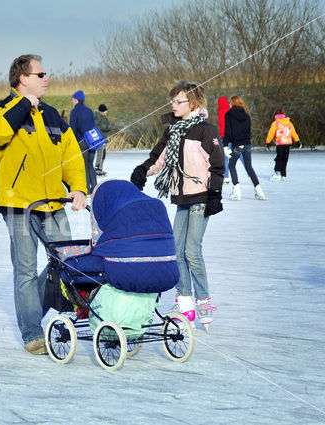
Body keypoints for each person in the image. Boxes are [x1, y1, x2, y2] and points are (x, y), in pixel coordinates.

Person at [0, 54, 87, 354]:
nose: (47, 78)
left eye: (46, 74)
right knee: (26, 271)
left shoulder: (54, 115)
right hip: (19, 206)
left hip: (54, 204)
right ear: (22, 79)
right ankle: (32, 333)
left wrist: (78, 187)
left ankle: (37, 313)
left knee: (67, 262)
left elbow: (71, 157)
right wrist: (25, 104)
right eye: (40, 74)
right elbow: (1, 132)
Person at [129, 81, 223, 331]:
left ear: (192, 103)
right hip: (182, 199)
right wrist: (142, 171)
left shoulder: (205, 130)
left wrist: (215, 194)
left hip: (202, 198)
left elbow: (217, 165)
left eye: (177, 101)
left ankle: (203, 302)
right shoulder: (173, 130)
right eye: (172, 100)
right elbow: (158, 158)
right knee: (176, 251)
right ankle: (184, 303)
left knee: (192, 251)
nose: (172, 105)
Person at [223, 95, 266, 201]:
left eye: (230, 102)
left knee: (231, 165)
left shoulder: (229, 114)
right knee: (249, 167)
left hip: (237, 144)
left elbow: (228, 131)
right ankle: (259, 190)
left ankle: (237, 191)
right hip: (247, 144)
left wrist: (225, 145)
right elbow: (248, 130)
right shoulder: (246, 114)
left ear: (232, 103)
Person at [69, 90, 97, 194]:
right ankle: (95, 188)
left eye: (73, 100)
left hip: (81, 142)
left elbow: (72, 129)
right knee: (90, 165)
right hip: (92, 142)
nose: (72, 102)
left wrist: (72, 143)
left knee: (83, 166)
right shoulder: (89, 110)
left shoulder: (74, 112)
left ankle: (87, 189)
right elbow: (93, 125)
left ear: (76, 100)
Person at [265, 108, 300, 181]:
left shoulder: (276, 123)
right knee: (285, 158)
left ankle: (278, 173)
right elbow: (293, 132)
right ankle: (283, 174)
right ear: (284, 115)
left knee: (279, 158)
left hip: (280, 143)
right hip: (287, 143)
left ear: (275, 115)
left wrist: (268, 142)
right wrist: (297, 141)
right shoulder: (289, 123)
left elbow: (271, 133)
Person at [93, 104, 112, 176]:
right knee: (101, 153)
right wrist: (109, 127)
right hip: (101, 138)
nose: (106, 111)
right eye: (106, 110)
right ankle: (98, 168)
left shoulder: (96, 116)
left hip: (98, 138)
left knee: (101, 153)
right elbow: (104, 128)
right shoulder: (102, 118)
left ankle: (99, 168)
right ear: (103, 111)